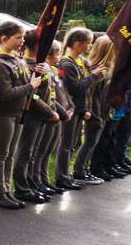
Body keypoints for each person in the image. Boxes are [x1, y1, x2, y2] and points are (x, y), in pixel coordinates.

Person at [0, 21, 43, 210]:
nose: (22, 41)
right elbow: (5, 94)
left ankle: (6, 189)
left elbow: (26, 83)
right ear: (4, 39)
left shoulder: (17, 59)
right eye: (18, 37)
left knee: (10, 154)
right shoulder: (1, 62)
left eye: (22, 37)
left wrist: (36, 75)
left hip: (18, 113)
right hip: (3, 114)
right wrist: (30, 86)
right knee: (1, 154)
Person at [12, 29, 59, 204]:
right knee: (24, 152)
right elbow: (33, 95)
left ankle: (31, 183)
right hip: (32, 113)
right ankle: (22, 188)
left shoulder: (41, 64)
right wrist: (49, 111)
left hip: (41, 115)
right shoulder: (27, 65)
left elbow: (50, 90)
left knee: (32, 152)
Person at [56, 27, 104, 188]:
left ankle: (66, 175)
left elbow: (86, 90)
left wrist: (86, 108)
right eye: (88, 44)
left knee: (72, 144)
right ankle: (61, 177)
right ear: (77, 43)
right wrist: (93, 75)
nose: (90, 47)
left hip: (78, 109)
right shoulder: (66, 63)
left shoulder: (80, 61)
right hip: (69, 109)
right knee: (66, 144)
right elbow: (75, 88)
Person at [32, 41, 72, 195]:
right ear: (49, 55)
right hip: (47, 115)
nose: (60, 56)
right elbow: (42, 97)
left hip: (56, 115)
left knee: (48, 151)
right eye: (58, 53)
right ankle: (37, 180)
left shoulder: (54, 71)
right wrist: (55, 112)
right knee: (40, 152)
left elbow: (59, 94)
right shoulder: (43, 70)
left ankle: (44, 179)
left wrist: (68, 109)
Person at [74, 35, 115, 183]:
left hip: (102, 109)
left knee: (93, 142)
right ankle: (79, 171)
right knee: (90, 141)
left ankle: (83, 169)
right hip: (94, 109)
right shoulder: (95, 68)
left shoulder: (105, 66)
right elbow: (89, 92)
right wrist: (90, 110)